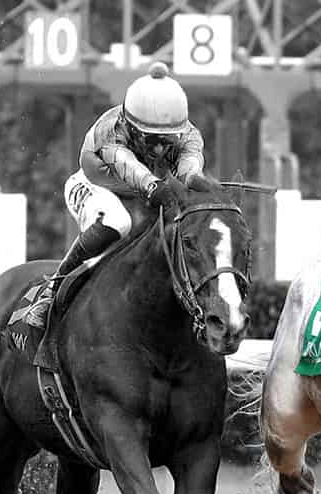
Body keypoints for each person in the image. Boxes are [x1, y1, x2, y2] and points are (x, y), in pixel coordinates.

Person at [23, 60, 205, 328]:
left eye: (166, 141)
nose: (157, 151)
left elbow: (190, 166)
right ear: (130, 128)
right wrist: (154, 186)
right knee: (117, 222)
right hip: (94, 188)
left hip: (141, 198)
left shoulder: (190, 135)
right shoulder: (110, 130)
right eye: (150, 140)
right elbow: (127, 165)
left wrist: (198, 185)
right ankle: (52, 291)